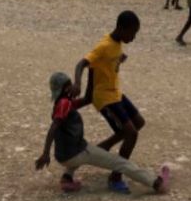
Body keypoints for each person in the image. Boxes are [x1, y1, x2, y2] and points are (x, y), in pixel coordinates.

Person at [36, 71, 170, 194]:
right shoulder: (65, 104)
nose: (74, 87)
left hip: (64, 155)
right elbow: (53, 127)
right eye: (71, 85)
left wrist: (92, 72)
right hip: (77, 153)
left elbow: (88, 98)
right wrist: (45, 153)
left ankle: (67, 178)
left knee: (87, 150)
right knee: (120, 163)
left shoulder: (63, 103)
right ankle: (156, 183)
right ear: (66, 88)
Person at [70, 11, 145, 193]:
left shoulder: (117, 43)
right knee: (131, 134)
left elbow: (102, 65)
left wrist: (119, 60)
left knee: (139, 122)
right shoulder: (104, 45)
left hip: (115, 93)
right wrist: (78, 84)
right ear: (121, 28)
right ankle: (115, 176)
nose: (133, 38)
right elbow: (82, 64)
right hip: (104, 97)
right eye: (132, 33)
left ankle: (105, 146)